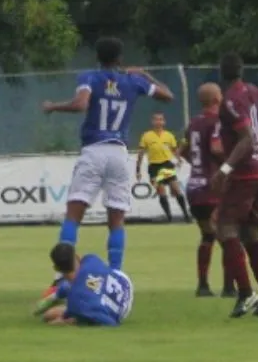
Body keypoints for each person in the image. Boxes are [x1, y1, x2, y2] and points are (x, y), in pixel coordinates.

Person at [42, 37, 173, 273]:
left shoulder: (89, 77)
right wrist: (145, 75)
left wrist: (54, 107)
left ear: (97, 57)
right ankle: (115, 274)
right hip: (119, 152)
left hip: (94, 150)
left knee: (74, 215)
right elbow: (168, 96)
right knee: (116, 221)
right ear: (120, 58)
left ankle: (64, 274)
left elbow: (81, 104)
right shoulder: (133, 81)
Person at [209, 53, 258, 318]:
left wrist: (225, 168)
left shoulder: (229, 100)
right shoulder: (255, 92)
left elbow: (246, 137)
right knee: (251, 235)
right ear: (242, 70)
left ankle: (246, 292)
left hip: (244, 173)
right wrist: (256, 136)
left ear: (222, 73)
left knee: (225, 230)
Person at [178, 83, 226, 297]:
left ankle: (203, 284)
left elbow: (183, 150)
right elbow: (216, 148)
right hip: (214, 187)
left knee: (208, 235)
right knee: (227, 235)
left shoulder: (193, 123)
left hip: (194, 185)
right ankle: (230, 287)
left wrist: (198, 165)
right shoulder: (218, 121)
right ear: (217, 99)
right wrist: (230, 164)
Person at [33, 243, 133, 327]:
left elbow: (110, 322)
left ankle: (53, 298)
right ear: (77, 256)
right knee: (86, 285)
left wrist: (68, 322)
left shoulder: (76, 302)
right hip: (124, 283)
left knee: (48, 316)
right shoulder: (90, 259)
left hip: (119, 310)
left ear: (57, 269)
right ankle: (55, 296)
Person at [136, 112, 190, 222]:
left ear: (164, 122)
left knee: (175, 189)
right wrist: (138, 170)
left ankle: (186, 215)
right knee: (161, 191)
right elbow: (141, 153)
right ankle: (169, 216)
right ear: (152, 122)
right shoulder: (147, 136)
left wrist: (179, 159)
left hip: (166, 165)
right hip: (154, 166)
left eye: (160, 119)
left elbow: (174, 150)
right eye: (156, 119)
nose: (158, 122)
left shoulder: (169, 135)